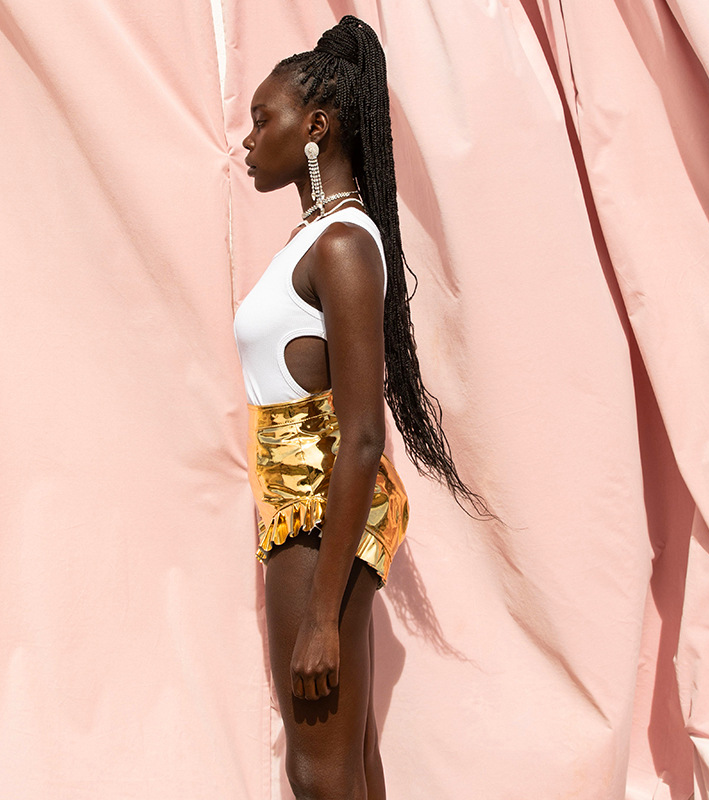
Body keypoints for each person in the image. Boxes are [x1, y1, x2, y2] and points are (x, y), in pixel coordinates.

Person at [233, 15, 492, 800]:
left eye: (263, 120)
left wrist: (321, 614)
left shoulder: (342, 243)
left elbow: (364, 434)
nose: (249, 140)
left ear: (316, 127)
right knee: (351, 763)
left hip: (318, 508)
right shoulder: (316, 237)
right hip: (306, 506)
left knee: (317, 772)